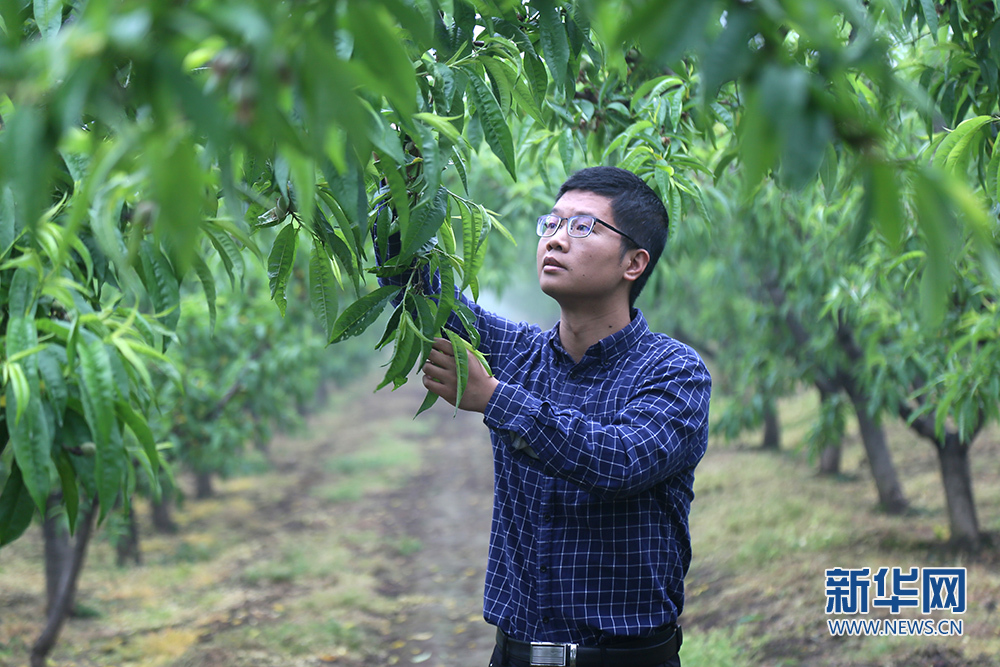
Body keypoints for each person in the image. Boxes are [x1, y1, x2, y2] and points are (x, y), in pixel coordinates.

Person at [385, 166, 711, 667]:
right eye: (551, 224)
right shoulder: (517, 352)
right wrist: (395, 173)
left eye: (582, 227)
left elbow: (620, 461)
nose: (556, 240)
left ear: (634, 262)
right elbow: (416, 288)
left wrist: (494, 399)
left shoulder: (675, 372)